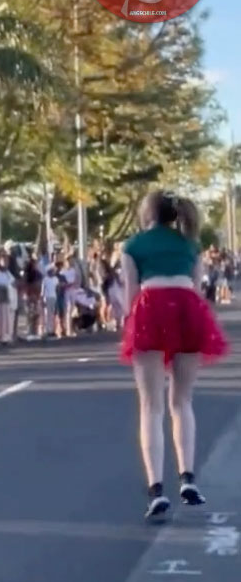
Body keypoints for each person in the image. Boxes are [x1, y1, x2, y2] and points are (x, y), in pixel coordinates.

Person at [121, 191, 228, 520]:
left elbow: (130, 296)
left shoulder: (133, 245)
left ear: (148, 213)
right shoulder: (190, 244)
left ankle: (156, 490)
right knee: (182, 401)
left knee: (151, 405)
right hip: (186, 308)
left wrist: (131, 326)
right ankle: (188, 478)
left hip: (151, 307)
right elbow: (196, 290)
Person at [41, 266, 59, 337]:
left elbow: (57, 288)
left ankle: (52, 330)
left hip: (54, 297)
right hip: (47, 297)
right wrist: (42, 299)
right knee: (47, 314)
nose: (52, 272)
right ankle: (47, 330)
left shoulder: (56, 279)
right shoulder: (45, 279)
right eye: (51, 271)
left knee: (52, 314)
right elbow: (42, 290)